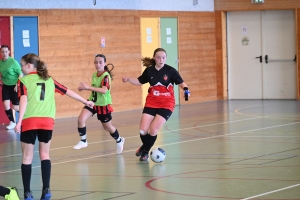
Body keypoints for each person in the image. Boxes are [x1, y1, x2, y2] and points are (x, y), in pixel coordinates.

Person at [14, 53, 94, 200]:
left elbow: (23, 100)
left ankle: (27, 193)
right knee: (45, 155)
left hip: (30, 121)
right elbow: (68, 91)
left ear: (29, 66)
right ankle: (46, 190)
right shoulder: (49, 80)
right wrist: (85, 101)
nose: (21, 68)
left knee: (27, 157)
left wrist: (19, 121)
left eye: (22, 65)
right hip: (47, 122)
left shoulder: (23, 81)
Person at [122, 48, 190, 161]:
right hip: (152, 102)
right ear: (154, 58)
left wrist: (186, 89)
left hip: (167, 103)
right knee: (142, 131)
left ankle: (145, 152)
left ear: (166, 58)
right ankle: (145, 146)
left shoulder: (171, 71)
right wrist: (128, 79)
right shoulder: (149, 71)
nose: (161, 59)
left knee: (153, 130)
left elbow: (181, 83)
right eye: (158, 57)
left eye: (163, 57)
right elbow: (140, 81)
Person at [73, 54, 125, 154]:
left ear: (105, 63)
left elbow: (104, 90)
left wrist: (88, 87)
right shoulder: (94, 75)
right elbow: (94, 90)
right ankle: (83, 141)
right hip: (92, 103)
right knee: (81, 119)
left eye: (100, 62)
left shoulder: (106, 76)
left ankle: (119, 140)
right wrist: (84, 88)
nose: (98, 64)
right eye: (96, 62)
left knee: (107, 127)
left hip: (103, 105)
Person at [0, 45, 22, 129]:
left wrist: (18, 84)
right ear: (1, 53)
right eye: (2, 52)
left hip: (14, 86)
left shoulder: (13, 62)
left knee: (15, 107)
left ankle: (27, 115)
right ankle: (12, 122)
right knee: (6, 104)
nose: (4, 53)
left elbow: (20, 73)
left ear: (9, 52)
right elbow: (1, 74)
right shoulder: (0, 63)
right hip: (6, 86)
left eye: (6, 51)